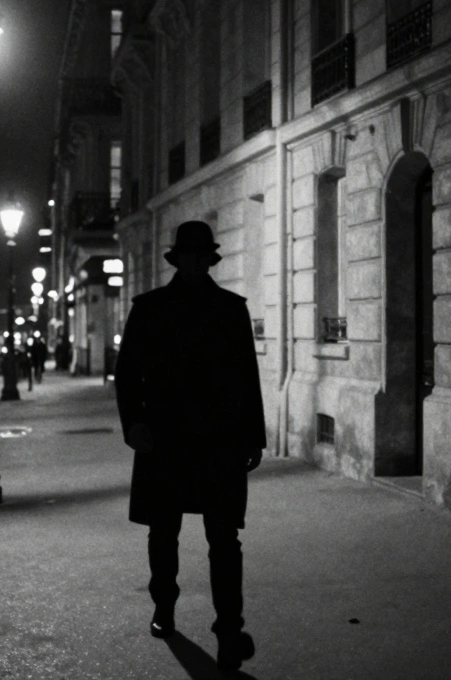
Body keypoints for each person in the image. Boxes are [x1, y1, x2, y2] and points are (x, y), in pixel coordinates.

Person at [113, 220, 265, 672]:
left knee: (223, 539)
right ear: (180, 261)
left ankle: (229, 630)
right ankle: (166, 607)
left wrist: (253, 436)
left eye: (202, 257)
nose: (196, 264)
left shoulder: (226, 308)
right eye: (190, 257)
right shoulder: (152, 308)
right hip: (168, 439)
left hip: (213, 440)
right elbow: (127, 374)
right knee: (165, 532)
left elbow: (246, 379)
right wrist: (135, 424)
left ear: (207, 261)